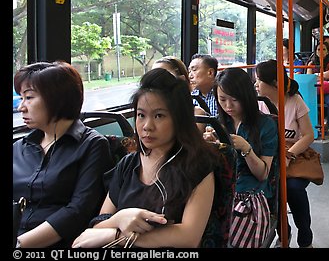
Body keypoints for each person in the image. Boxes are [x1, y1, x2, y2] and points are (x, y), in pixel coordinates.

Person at [72, 68, 220, 248]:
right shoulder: (128, 164)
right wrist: (120, 218)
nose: (147, 126)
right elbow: (98, 225)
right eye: (141, 115)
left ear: (179, 119)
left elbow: (188, 237)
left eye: (159, 116)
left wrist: (116, 235)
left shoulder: (197, 165)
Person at [13, 61, 114, 248]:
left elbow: (78, 211)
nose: (21, 107)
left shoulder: (92, 145)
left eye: (29, 98)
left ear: (56, 99)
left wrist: (20, 244)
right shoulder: (19, 147)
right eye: (21, 98)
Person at [212, 68, 279, 247]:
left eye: (235, 100)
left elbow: (263, 174)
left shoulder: (266, 125)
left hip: (251, 191)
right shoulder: (219, 123)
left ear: (247, 97)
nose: (228, 106)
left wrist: (246, 149)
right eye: (222, 100)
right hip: (220, 186)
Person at [255, 60, 315, 248]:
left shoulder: (295, 100)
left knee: (293, 188)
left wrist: (288, 155)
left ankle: (305, 236)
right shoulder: (258, 104)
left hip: (293, 153)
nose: (255, 85)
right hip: (268, 155)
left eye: (258, 80)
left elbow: (308, 135)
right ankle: (283, 232)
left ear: (273, 83)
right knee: (269, 189)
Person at [152, 56, 207, 128]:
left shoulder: (196, 114)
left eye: (165, 77)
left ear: (181, 80)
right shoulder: (146, 112)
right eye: (153, 77)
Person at [307, 41, 329, 131]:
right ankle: (314, 125)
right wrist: (323, 75)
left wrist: (316, 75)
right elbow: (309, 77)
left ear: (327, 51)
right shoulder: (311, 63)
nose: (321, 51)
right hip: (315, 89)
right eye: (318, 49)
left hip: (327, 90)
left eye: (324, 49)